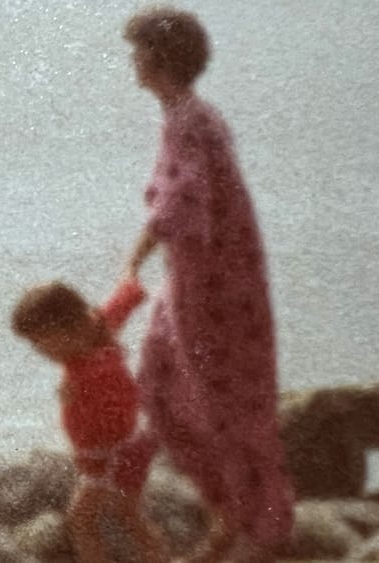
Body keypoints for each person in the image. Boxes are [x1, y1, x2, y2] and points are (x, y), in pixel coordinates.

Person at [123, 7, 294, 562]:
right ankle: (231, 517)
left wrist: (140, 254)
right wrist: (144, 257)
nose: (132, 61)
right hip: (198, 280)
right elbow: (183, 204)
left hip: (213, 287)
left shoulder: (192, 120)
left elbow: (186, 203)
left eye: (138, 51)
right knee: (161, 387)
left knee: (223, 402)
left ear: (158, 58)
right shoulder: (185, 116)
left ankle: (258, 531)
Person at [12, 278, 167, 563]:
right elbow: (117, 307)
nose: (41, 352)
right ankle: (156, 556)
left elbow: (116, 408)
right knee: (128, 513)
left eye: (41, 341)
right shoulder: (98, 331)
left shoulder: (90, 371)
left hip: (106, 458)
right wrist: (130, 285)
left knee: (82, 520)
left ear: (67, 329)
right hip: (127, 449)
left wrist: (76, 399)